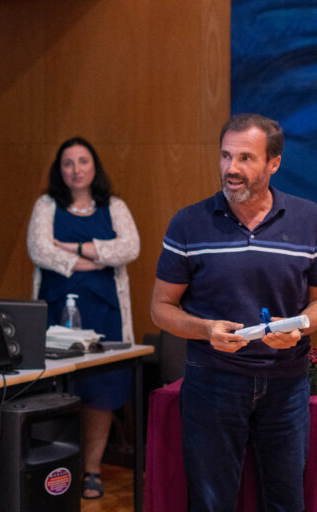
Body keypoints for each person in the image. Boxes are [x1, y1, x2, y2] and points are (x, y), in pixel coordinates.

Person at [150, 113, 317, 511]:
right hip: (213, 384)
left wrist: (301, 325)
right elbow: (161, 309)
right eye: (226, 156)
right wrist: (207, 329)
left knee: (285, 501)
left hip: (287, 385)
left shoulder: (310, 219)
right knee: (211, 503)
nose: (231, 169)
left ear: (274, 163)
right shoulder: (189, 223)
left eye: (245, 158)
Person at [26, 136, 140, 499]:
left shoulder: (114, 205)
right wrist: (91, 260)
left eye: (83, 162)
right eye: (68, 163)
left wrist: (73, 247)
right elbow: (39, 249)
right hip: (57, 312)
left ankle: (91, 470)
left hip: (106, 312)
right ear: (59, 170)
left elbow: (130, 248)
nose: (76, 170)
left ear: (95, 167)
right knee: (59, 389)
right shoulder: (47, 204)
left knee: (100, 393)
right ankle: (58, 471)